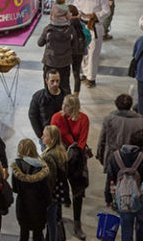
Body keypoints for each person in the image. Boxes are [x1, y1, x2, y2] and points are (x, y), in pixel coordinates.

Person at [104, 130, 143, 241]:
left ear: (129, 140)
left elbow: (110, 179)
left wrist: (108, 198)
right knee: (142, 226)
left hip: (123, 199)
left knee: (126, 228)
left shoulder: (115, 157)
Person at [50, 95, 90, 240]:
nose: (63, 107)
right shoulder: (57, 118)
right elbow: (54, 140)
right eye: (63, 104)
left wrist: (73, 155)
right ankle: (58, 223)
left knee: (78, 192)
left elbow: (82, 142)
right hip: (61, 158)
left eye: (66, 105)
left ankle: (77, 224)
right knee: (58, 190)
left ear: (74, 108)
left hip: (76, 159)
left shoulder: (83, 119)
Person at [73, 0, 111, 88]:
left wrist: (95, 16)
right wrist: (78, 14)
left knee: (93, 54)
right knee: (83, 51)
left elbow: (107, 11)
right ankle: (85, 73)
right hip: (82, 26)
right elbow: (75, 7)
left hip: (95, 26)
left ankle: (91, 78)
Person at [11, 139, 50, 241]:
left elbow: (15, 189)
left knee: (23, 233)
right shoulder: (42, 167)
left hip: (23, 206)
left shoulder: (17, 167)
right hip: (39, 206)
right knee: (38, 234)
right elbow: (46, 191)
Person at [96, 94, 143, 171]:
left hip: (113, 159)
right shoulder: (141, 121)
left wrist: (100, 156)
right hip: (135, 160)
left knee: (111, 182)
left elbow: (102, 140)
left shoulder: (109, 119)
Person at [37, 0, 76, 93]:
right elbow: (75, 46)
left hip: (50, 62)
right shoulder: (71, 30)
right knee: (65, 86)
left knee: (49, 87)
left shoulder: (48, 30)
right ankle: (66, 105)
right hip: (65, 63)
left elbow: (40, 43)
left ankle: (49, 106)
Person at [42, 126, 68, 241]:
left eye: (45, 135)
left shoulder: (49, 156)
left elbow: (50, 179)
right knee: (54, 219)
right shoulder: (61, 152)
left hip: (51, 194)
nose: (42, 137)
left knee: (51, 221)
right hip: (59, 192)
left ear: (52, 139)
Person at [29, 69, 65, 145]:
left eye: (57, 81)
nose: (55, 84)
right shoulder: (38, 96)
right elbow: (32, 115)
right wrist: (40, 134)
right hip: (46, 137)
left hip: (63, 137)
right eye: (52, 81)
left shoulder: (65, 96)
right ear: (46, 81)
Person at [68, 5, 87, 94]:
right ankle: (76, 94)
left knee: (66, 74)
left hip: (70, 51)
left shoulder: (69, 24)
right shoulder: (81, 23)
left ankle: (66, 93)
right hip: (79, 51)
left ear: (70, 14)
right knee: (76, 73)